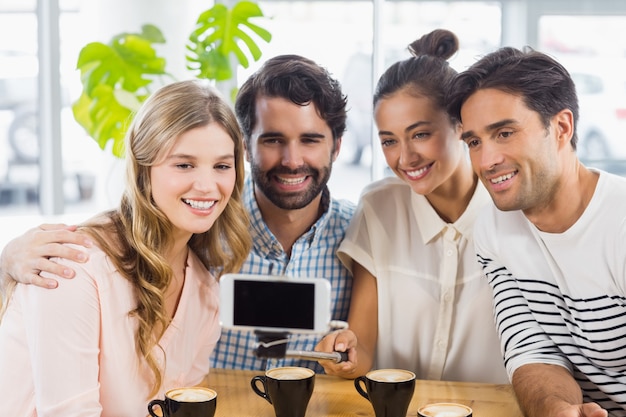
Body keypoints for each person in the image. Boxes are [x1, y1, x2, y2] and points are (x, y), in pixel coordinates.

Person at [0, 54, 355, 374]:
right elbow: (126, 235)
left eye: (310, 140)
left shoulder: (358, 235)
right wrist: (8, 261)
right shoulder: (204, 224)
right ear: (246, 147)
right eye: (273, 140)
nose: (292, 160)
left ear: (337, 146)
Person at [0, 79, 252, 415]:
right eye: (183, 164)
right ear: (144, 171)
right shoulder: (73, 266)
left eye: (222, 165)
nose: (207, 186)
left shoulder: (205, 293)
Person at [315, 29, 508, 384]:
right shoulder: (379, 207)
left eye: (420, 134)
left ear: (460, 125)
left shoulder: (512, 212)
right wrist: (345, 355)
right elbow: (364, 348)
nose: (405, 158)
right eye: (389, 141)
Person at [446, 46, 626, 417]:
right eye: (474, 142)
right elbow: (532, 349)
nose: (486, 161)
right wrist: (554, 409)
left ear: (561, 128)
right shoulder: (493, 228)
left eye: (505, 133)